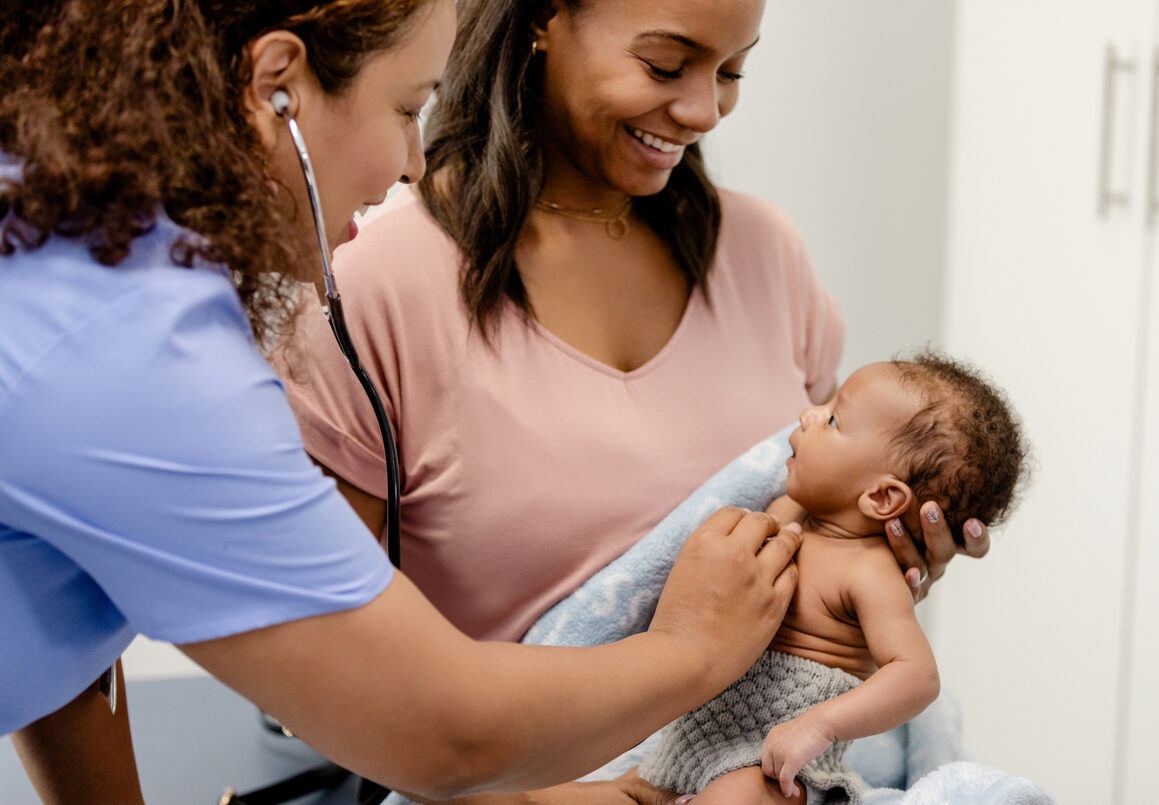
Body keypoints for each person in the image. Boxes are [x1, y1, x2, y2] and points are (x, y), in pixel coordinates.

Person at [0, 3, 805, 803]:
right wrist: (695, 648)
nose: (414, 163)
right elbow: (442, 732)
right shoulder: (134, 354)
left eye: (732, 70)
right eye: (404, 110)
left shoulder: (66, 233)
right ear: (278, 86)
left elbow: (62, 592)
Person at [277, 1, 992, 802]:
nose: (701, 110)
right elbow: (318, 675)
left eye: (732, 71)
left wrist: (871, 549)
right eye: (663, 64)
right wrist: (528, 797)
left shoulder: (764, 257)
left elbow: (827, 507)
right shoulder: (378, 280)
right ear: (545, 18)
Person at [637, 352, 1029, 804]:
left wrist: (818, 726)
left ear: (882, 497)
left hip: (773, 765)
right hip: (689, 740)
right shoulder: (785, 509)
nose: (810, 413)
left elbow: (918, 676)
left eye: (834, 421)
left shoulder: (868, 571)